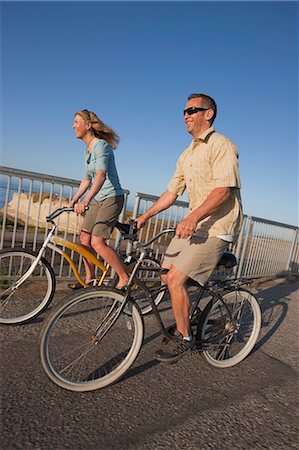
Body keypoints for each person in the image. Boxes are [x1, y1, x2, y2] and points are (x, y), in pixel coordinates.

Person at [136, 93, 243, 363]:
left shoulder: (222, 145)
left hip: (216, 226)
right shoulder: (187, 153)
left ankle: (184, 338)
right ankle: (191, 315)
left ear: (209, 114)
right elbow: (171, 192)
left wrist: (192, 218)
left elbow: (224, 192)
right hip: (195, 224)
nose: (186, 115)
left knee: (175, 279)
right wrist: (145, 216)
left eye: (193, 110)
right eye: (184, 111)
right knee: (164, 273)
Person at [67, 109, 129, 290]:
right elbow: (87, 179)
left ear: (87, 125)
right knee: (84, 239)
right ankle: (90, 278)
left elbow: (101, 176)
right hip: (98, 198)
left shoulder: (101, 146)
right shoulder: (87, 151)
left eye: (76, 122)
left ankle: (124, 277)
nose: (73, 126)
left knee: (97, 242)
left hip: (111, 198)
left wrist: (85, 201)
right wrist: (74, 199)